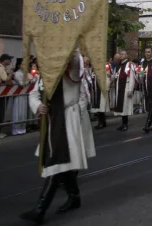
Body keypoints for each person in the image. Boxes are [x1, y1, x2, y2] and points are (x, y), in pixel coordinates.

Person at [19, 50, 95, 224]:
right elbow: (33, 94)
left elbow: (75, 63)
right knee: (63, 162)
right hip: (53, 121)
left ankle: (40, 209)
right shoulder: (46, 73)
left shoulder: (74, 67)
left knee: (57, 162)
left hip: (69, 119)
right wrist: (38, 106)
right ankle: (74, 196)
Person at [112, 51, 135, 131]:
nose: (121, 55)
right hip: (119, 88)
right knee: (121, 108)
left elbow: (132, 77)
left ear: (127, 55)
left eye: (123, 54)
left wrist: (130, 90)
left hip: (126, 88)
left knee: (125, 107)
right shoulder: (118, 65)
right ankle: (122, 124)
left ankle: (125, 124)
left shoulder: (129, 64)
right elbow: (115, 76)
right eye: (120, 54)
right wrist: (111, 77)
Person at [11, 58, 28, 136]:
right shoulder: (17, 73)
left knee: (23, 112)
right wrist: (29, 80)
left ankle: (22, 128)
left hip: (24, 94)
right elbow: (22, 83)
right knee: (18, 112)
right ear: (19, 65)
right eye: (23, 64)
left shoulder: (25, 73)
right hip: (18, 95)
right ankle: (16, 128)